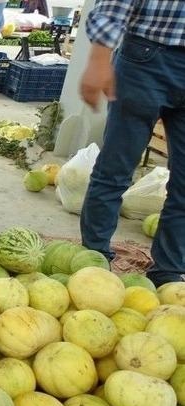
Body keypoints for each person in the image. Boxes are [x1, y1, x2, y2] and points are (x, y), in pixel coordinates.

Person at [79, 0, 184, 287]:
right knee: (115, 169)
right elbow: (114, 6)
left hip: (148, 57)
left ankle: (169, 274)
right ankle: (95, 261)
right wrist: (99, 58)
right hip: (147, 57)